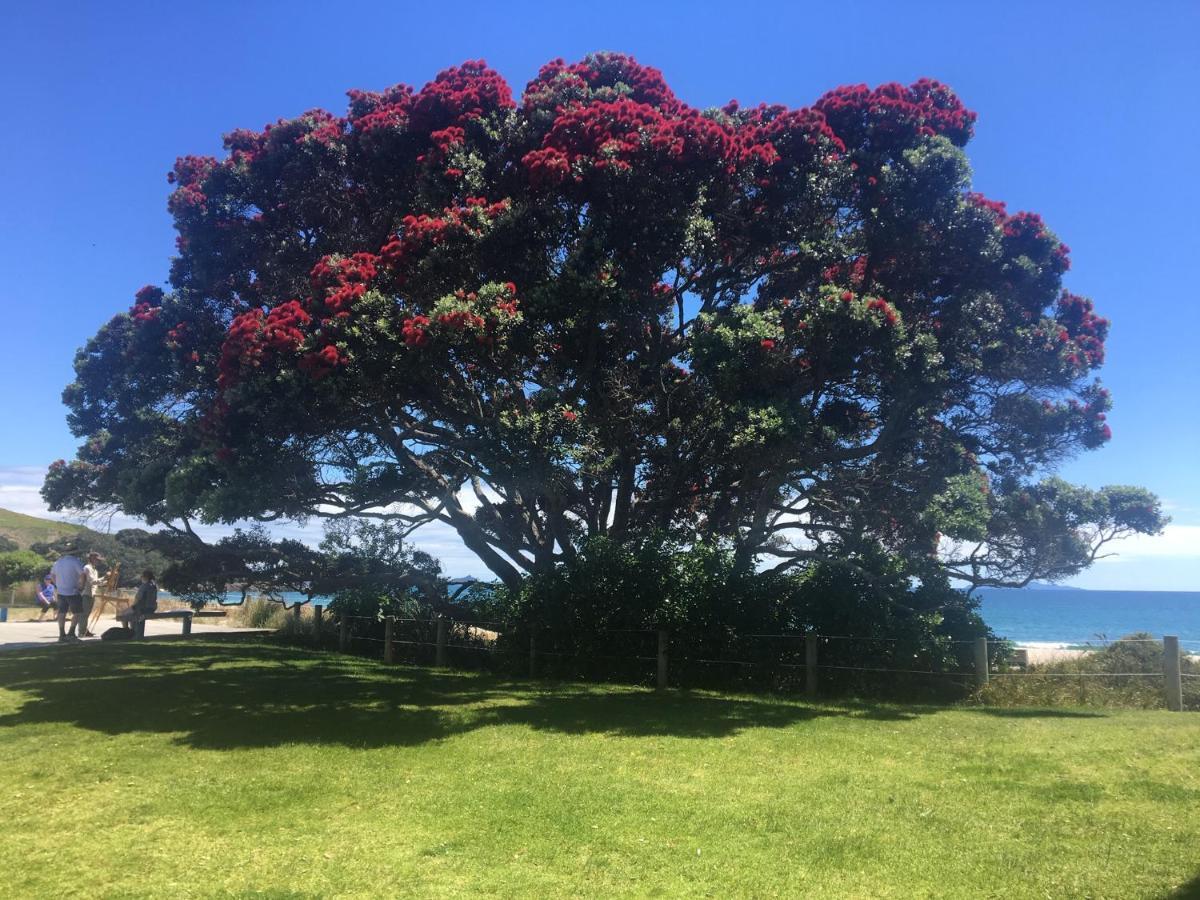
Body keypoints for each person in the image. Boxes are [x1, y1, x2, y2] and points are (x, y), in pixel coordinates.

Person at [49, 549, 85, 642]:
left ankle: (62, 634)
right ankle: (71, 633)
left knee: (61, 613)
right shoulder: (76, 561)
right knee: (77, 612)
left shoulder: (57, 563)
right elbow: (83, 574)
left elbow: (52, 575)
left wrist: (57, 584)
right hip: (73, 591)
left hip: (61, 591)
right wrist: (81, 586)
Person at [79, 552, 103, 638]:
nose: (98, 562)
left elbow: (96, 583)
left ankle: (84, 630)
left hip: (91, 594)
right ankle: (82, 632)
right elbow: (92, 581)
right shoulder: (87, 568)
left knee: (87, 613)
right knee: (84, 614)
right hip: (86, 593)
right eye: (97, 560)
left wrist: (107, 580)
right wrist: (105, 578)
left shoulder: (95, 570)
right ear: (92, 559)